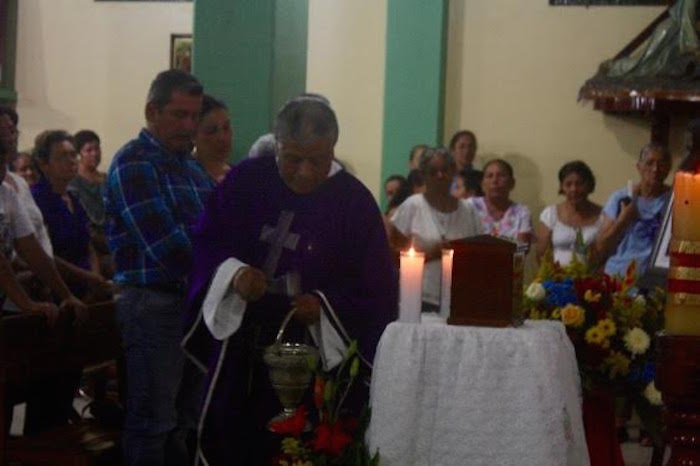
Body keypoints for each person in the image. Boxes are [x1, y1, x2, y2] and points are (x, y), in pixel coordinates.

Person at [182, 95, 397, 465]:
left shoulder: (354, 202)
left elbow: (375, 287)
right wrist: (234, 274)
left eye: (317, 160)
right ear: (276, 145)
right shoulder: (247, 181)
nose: (305, 172)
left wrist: (325, 306)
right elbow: (207, 241)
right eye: (293, 158)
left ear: (333, 148)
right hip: (244, 344)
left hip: (316, 355)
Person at [104, 70, 212, 466]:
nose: (189, 126)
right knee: (153, 423)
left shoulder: (192, 169)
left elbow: (217, 232)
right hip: (153, 304)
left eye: (194, 117)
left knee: (186, 419)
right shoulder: (133, 163)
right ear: (152, 111)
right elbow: (168, 248)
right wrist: (223, 275)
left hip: (195, 304)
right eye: (179, 115)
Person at [389, 147, 482, 312]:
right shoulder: (413, 205)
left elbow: (480, 251)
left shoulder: (468, 210)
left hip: (459, 296)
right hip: (419, 296)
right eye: (433, 172)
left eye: (445, 170)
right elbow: (393, 250)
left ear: (453, 172)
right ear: (423, 175)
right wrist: (431, 252)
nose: (440, 176)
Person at [596, 143, 672, 277]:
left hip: (655, 281)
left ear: (668, 169)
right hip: (617, 276)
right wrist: (622, 220)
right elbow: (601, 247)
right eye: (649, 163)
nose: (655, 169)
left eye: (661, 164)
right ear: (639, 167)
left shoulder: (675, 200)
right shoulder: (621, 198)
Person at [535, 161, 603, 266]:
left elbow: (605, 255)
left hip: (591, 279)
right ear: (562, 187)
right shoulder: (550, 214)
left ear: (589, 185)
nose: (574, 189)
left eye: (579, 184)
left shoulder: (603, 216)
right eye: (568, 184)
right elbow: (541, 255)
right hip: (555, 279)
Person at [466, 159, 533, 247]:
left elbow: (522, 248)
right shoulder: (470, 206)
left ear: (512, 183)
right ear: (482, 184)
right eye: (489, 176)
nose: (495, 181)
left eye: (501, 176)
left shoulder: (522, 212)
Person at [194, 94, 232, 184]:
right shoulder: (184, 178)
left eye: (226, 128)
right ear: (193, 135)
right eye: (211, 131)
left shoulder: (239, 176)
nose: (222, 138)